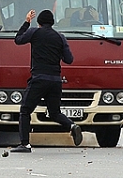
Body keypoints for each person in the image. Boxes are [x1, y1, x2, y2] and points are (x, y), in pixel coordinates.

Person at [11, 9, 82, 153]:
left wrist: (26, 22)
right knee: (54, 112)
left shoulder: (34, 32)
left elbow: (18, 39)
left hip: (39, 79)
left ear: (39, 22)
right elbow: (69, 59)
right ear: (52, 22)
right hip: (56, 80)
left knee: (25, 110)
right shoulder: (60, 37)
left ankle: (25, 144)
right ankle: (71, 126)